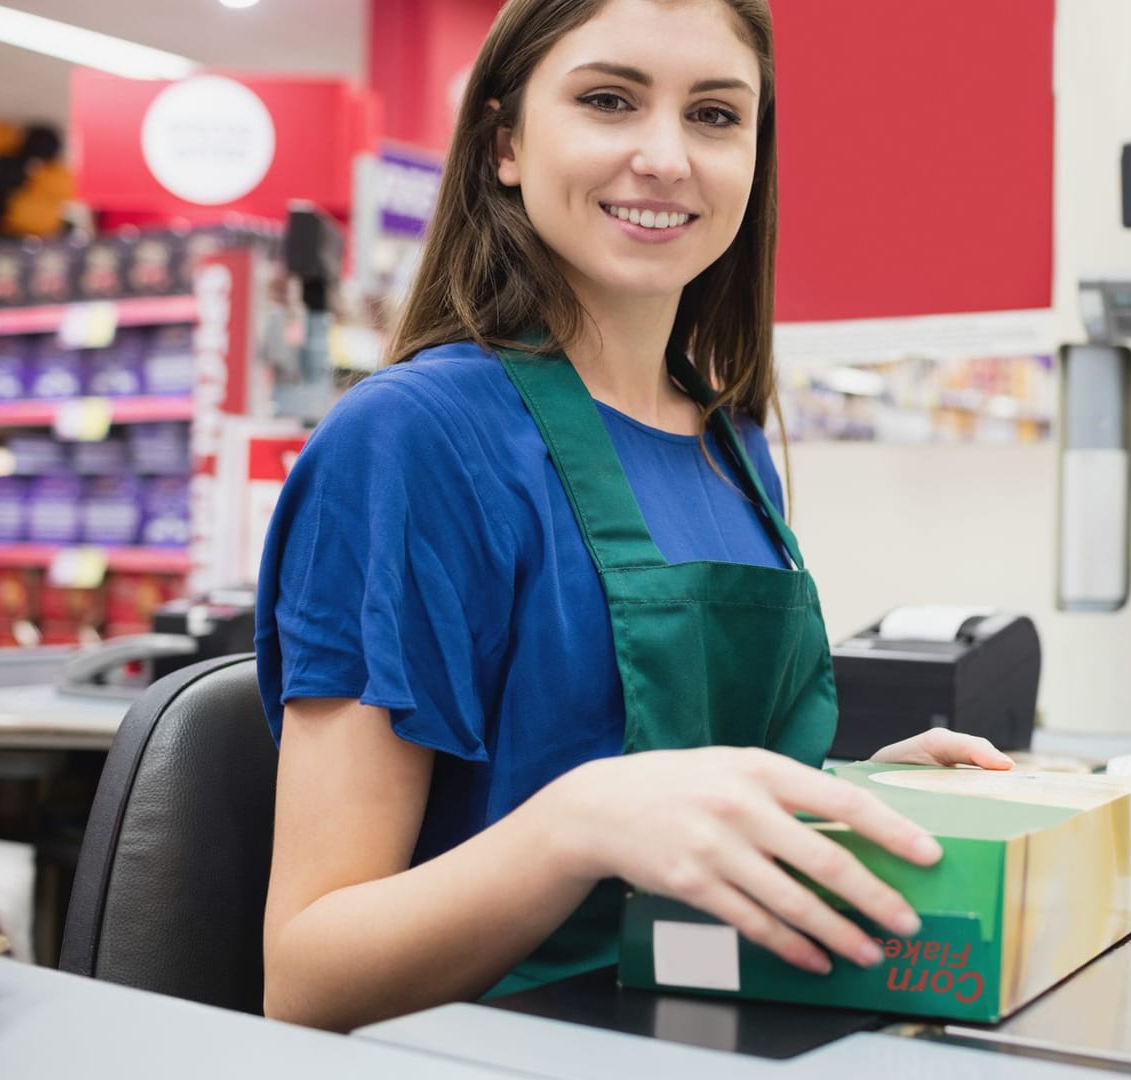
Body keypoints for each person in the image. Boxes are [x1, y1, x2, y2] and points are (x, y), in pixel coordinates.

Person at [253, 0, 1012, 1033]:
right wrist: (576, 826)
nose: (665, 156)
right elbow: (307, 979)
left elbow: (688, 801)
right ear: (505, 143)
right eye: (609, 101)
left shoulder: (730, 441)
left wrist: (841, 804)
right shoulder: (414, 442)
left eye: (714, 115)